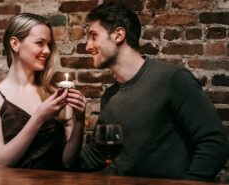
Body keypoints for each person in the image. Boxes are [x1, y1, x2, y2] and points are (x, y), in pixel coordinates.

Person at [76, 2, 229, 181]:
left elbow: (214, 143)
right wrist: (70, 123)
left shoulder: (172, 79)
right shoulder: (109, 97)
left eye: (94, 36)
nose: (87, 46)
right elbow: (95, 156)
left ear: (118, 35)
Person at [0, 13, 87, 171]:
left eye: (49, 44)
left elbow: (68, 161)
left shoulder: (55, 93)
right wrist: (39, 117)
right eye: (40, 43)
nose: (46, 51)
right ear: (15, 44)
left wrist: (79, 120)